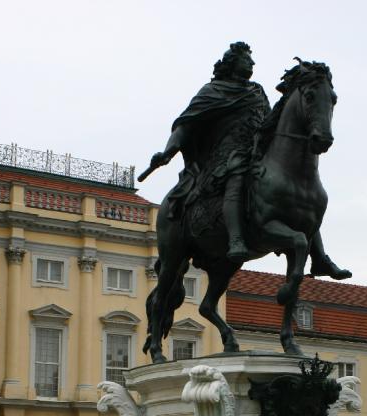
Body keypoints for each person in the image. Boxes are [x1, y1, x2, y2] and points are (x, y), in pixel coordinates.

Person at [142, 42, 350, 280]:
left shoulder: (257, 91)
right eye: (246, 59)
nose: (251, 63)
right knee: (237, 170)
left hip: (257, 149)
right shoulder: (213, 90)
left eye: (252, 59)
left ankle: (320, 257)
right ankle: (236, 238)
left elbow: (269, 121)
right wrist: (168, 152)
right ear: (232, 63)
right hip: (224, 155)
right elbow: (185, 126)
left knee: (302, 195)